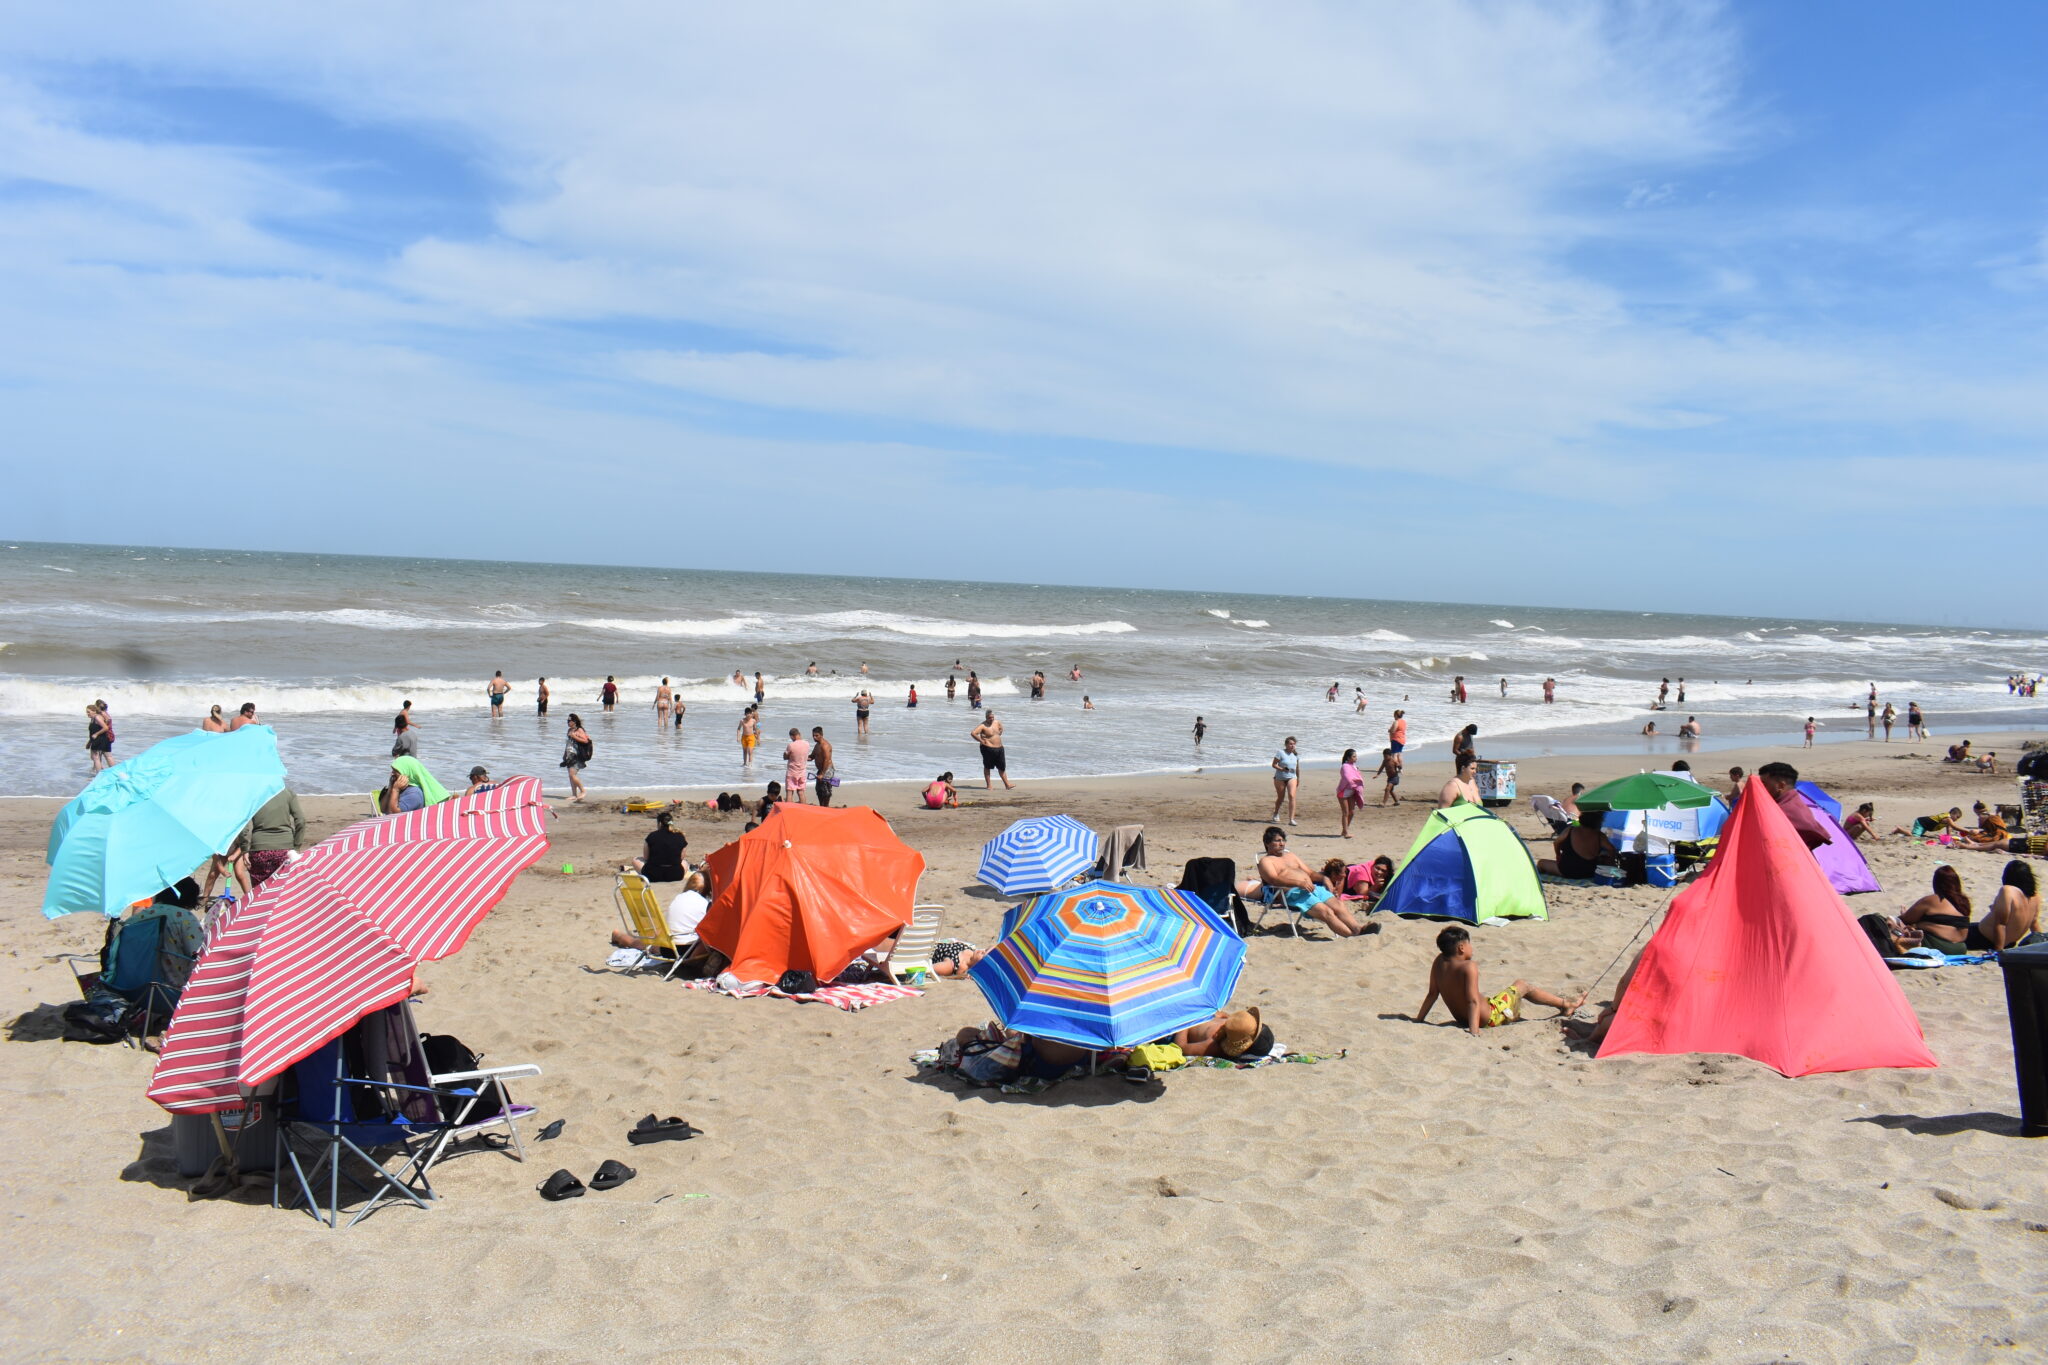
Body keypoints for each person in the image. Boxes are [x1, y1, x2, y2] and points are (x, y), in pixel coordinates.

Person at [1413, 925, 1585, 1037]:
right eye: (1469, 944)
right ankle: (1565, 1004)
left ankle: (1562, 1005)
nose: (1472, 948)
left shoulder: (1439, 961)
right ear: (1462, 947)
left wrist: (1419, 1020)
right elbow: (1472, 1001)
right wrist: (1474, 1030)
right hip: (1489, 1018)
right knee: (1522, 985)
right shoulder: (1468, 966)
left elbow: (1432, 994)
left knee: (1498, 997)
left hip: (1463, 1018)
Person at [1235, 826, 1368, 937]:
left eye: (1283, 840)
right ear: (1268, 843)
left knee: (1338, 905)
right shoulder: (1266, 861)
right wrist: (1298, 883)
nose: (1282, 843)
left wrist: (1324, 878)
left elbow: (1310, 873)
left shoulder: (1291, 856)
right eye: (1277, 841)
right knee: (1326, 912)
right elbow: (1273, 879)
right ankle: (1352, 937)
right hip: (1290, 893)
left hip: (1311, 887)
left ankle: (1358, 930)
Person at [612, 872, 711, 955]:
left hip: (667, 947)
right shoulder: (706, 904)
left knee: (645, 943)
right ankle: (619, 936)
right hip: (685, 951)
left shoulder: (680, 897)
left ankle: (619, 936)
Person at [236, 786, 307, 889]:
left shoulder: (252, 795)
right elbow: (301, 820)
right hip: (285, 849)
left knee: (259, 892)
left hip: (259, 849)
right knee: (284, 891)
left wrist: (245, 849)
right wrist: (296, 846)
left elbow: (243, 825)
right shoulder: (287, 793)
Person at [1750, 762, 1829, 850]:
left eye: (1764, 784)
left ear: (1780, 786)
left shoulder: (1788, 810)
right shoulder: (1791, 802)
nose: (1760, 788)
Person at [1969, 861, 2043, 951]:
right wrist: (2042, 944)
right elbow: (2034, 924)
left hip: (1986, 939)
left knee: (1956, 930)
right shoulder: (2035, 896)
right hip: (2010, 943)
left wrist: (1999, 950)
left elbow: (2001, 924)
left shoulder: (2007, 891)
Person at [1898, 865, 1974, 953]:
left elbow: (1905, 919)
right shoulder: (1964, 902)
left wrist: (1905, 914)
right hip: (1960, 948)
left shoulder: (1933, 900)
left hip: (1939, 945)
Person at [1174, 1007, 1270, 1060]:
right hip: (1191, 1012)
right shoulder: (1234, 1023)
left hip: (1176, 1028)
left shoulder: (1212, 1046)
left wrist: (1185, 1022)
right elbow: (1219, 1013)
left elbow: (1181, 1047)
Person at [1538, 811, 1610, 880]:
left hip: (1568, 871)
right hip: (1589, 872)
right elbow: (1611, 849)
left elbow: (1556, 843)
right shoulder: (1599, 835)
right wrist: (1611, 864)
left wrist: (1558, 854)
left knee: (1541, 863)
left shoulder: (1570, 830)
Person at [634, 811, 689, 883]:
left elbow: (646, 858)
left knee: (635, 859)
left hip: (652, 875)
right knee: (685, 862)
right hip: (675, 875)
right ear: (671, 823)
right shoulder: (680, 836)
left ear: (659, 823)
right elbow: (681, 858)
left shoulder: (652, 836)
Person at [971, 711, 1012, 789]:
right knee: (987, 766)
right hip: (988, 748)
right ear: (986, 717)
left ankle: (1007, 785)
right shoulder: (982, 726)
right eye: (989, 718)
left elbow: (1000, 730)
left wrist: (999, 733)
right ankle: (989, 785)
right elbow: (973, 733)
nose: (991, 719)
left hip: (999, 748)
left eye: (992, 717)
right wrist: (981, 741)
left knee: (1002, 767)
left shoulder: (997, 722)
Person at [1336, 747, 1368, 837]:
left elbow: (1357, 776)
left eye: (1356, 756)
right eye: (1354, 756)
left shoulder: (1354, 766)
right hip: (1343, 792)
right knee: (1345, 812)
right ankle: (1346, 832)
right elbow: (1348, 778)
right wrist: (1357, 782)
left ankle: (1344, 830)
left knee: (1352, 812)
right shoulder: (1345, 766)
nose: (1356, 758)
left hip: (1352, 792)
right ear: (1348, 758)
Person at [1269, 736, 1301, 825]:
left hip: (1292, 777)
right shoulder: (1280, 752)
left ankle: (1291, 819)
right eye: (1290, 744)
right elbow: (1274, 764)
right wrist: (1282, 769)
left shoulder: (1295, 755)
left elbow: (1297, 768)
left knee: (1292, 796)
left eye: (1294, 744)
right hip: (1280, 777)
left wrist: (1298, 778)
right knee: (1281, 797)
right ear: (1286, 744)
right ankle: (1276, 813)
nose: (1292, 746)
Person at [561, 713, 592, 801]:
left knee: (572, 774)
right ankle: (574, 794)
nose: (568, 722)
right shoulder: (569, 730)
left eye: (569, 721)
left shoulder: (579, 730)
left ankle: (583, 791)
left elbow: (585, 741)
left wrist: (574, 736)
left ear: (574, 721)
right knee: (570, 776)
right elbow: (568, 743)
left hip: (577, 755)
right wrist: (564, 754)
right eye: (567, 721)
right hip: (569, 754)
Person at [781, 727, 811, 804]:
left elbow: (786, 757)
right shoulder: (807, 744)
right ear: (799, 734)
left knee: (789, 791)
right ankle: (803, 808)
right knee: (801, 791)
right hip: (802, 772)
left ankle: (789, 810)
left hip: (792, 772)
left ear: (792, 736)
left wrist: (785, 755)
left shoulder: (791, 745)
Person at [811, 727, 835, 806]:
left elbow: (827, 760)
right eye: (813, 735)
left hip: (827, 770)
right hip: (820, 770)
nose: (814, 737)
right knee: (818, 790)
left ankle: (826, 807)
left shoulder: (825, 746)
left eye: (816, 735)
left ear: (821, 735)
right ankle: (821, 806)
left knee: (826, 791)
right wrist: (801, 757)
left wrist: (822, 774)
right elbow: (812, 756)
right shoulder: (817, 745)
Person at [86, 702, 114, 771]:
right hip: (102, 739)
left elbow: (105, 728)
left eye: (89, 712)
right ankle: (114, 772)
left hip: (100, 739)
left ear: (94, 711)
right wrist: (89, 743)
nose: (87, 714)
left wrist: (96, 734)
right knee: (106, 756)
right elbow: (92, 732)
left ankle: (99, 774)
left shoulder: (97, 717)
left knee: (95, 757)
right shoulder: (93, 718)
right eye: (87, 712)